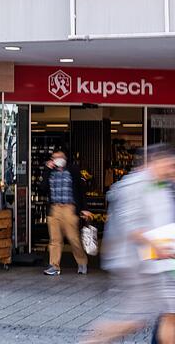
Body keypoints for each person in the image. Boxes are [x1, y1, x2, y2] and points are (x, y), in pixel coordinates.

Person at [84, 144, 175, 344]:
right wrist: (158, 246)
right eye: (168, 164)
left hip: (158, 264)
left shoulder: (161, 185)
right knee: (131, 321)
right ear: (154, 162)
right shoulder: (134, 185)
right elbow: (132, 226)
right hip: (135, 265)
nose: (171, 169)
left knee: (168, 315)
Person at [41, 149, 91, 276]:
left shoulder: (73, 170)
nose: (57, 159)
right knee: (55, 239)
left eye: (59, 157)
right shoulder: (50, 172)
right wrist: (47, 170)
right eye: (54, 157)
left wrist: (84, 208)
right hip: (54, 209)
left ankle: (82, 262)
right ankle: (54, 265)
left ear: (65, 158)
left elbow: (80, 190)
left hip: (69, 208)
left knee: (73, 238)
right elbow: (42, 188)